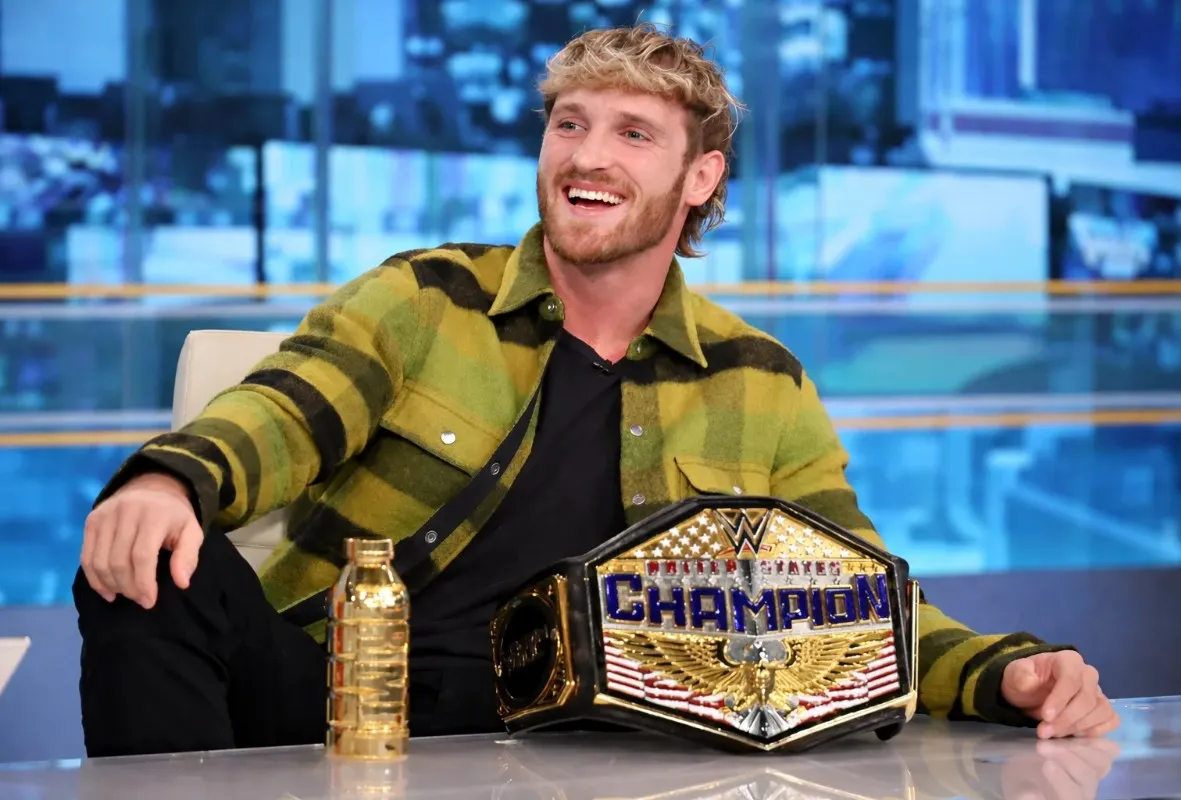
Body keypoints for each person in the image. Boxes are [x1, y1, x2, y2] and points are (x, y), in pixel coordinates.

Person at [73, 23, 1119, 758]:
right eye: (569, 123)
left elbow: (859, 604)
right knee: (153, 563)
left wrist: (1006, 673)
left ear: (699, 177)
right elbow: (284, 410)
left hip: (583, 741)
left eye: (632, 133)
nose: (586, 154)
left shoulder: (761, 380)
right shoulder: (425, 294)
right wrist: (173, 479)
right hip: (346, 692)